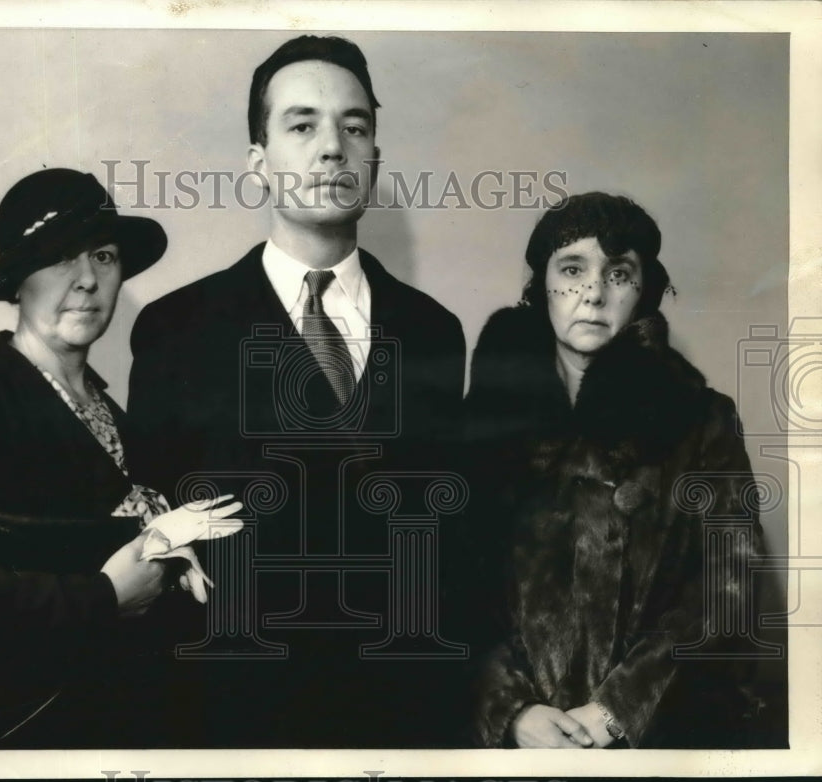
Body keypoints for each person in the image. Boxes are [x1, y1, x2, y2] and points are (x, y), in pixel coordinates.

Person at [127, 36, 467, 747]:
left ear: (374, 154)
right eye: (303, 124)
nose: (333, 148)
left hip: (399, 714)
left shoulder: (433, 330)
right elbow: (151, 521)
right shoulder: (175, 329)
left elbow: (446, 533)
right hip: (225, 713)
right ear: (259, 162)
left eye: (356, 125)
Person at [0, 168, 242, 748]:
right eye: (58, 257)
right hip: (7, 737)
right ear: (17, 281)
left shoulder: (125, 421)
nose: (86, 281)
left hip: (129, 729)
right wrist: (101, 597)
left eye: (103, 256)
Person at [464, 192, 765, 748]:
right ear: (542, 289)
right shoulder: (484, 424)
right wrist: (512, 710)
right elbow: (450, 586)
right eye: (572, 269)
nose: (594, 293)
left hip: (657, 740)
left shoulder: (702, 420)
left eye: (618, 273)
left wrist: (615, 711)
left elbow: (730, 583)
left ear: (643, 290)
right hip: (514, 750)